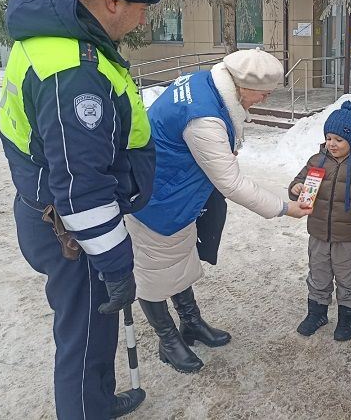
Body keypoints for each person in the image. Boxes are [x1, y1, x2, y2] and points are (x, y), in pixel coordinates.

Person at [0, 0, 162, 419]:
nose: (144, 17)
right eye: (141, 5)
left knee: (94, 330)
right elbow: (81, 188)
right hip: (72, 231)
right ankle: (86, 409)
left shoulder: (63, 37)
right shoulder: (75, 71)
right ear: (111, 2)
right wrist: (117, 264)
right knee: (85, 338)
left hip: (53, 213)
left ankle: (99, 401)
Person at [126, 48, 312, 373]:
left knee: (179, 264)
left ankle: (191, 323)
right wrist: (284, 208)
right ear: (242, 84)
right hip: (157, 203)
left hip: (180, 200)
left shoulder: (204, 83)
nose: (266, 98)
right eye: (264, 92)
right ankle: (168, 340)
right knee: (155, 276)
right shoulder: (204, 118)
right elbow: (232, 184)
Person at [288, 101, 351, 341]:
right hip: (318, 232)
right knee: (318, 274)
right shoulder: (317, 161)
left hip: (348, 237)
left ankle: (348, 317)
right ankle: (316, 313)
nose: (332, 144)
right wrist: (296, 188)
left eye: (338, 139)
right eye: (329, 138)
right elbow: (298, 182)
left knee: (347, 277)